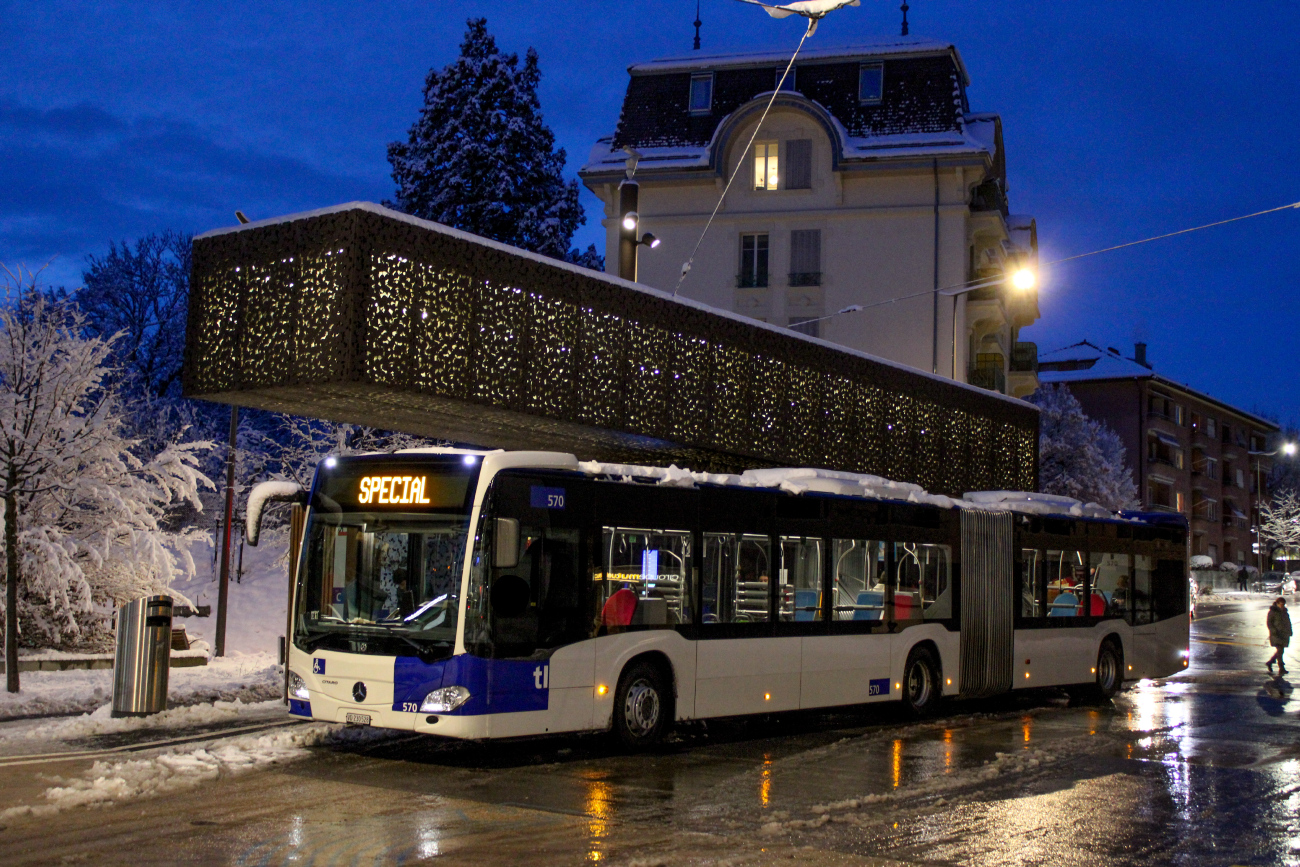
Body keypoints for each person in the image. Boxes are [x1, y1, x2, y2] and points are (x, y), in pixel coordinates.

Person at [1267, 596, 1292, 675]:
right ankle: (1281, 668)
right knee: (1280, 651)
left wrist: (1290, 631)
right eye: (1281, 604)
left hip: (1284, 634)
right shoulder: (1273, 612)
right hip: (1276, 634)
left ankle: (1270, 662)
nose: (1282, 606)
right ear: (1277, 604)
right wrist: (1273, 630)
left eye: (1283, 604)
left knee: (1280, 651)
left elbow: (1288, 622)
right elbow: (1269, 623)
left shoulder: (1285, 612)